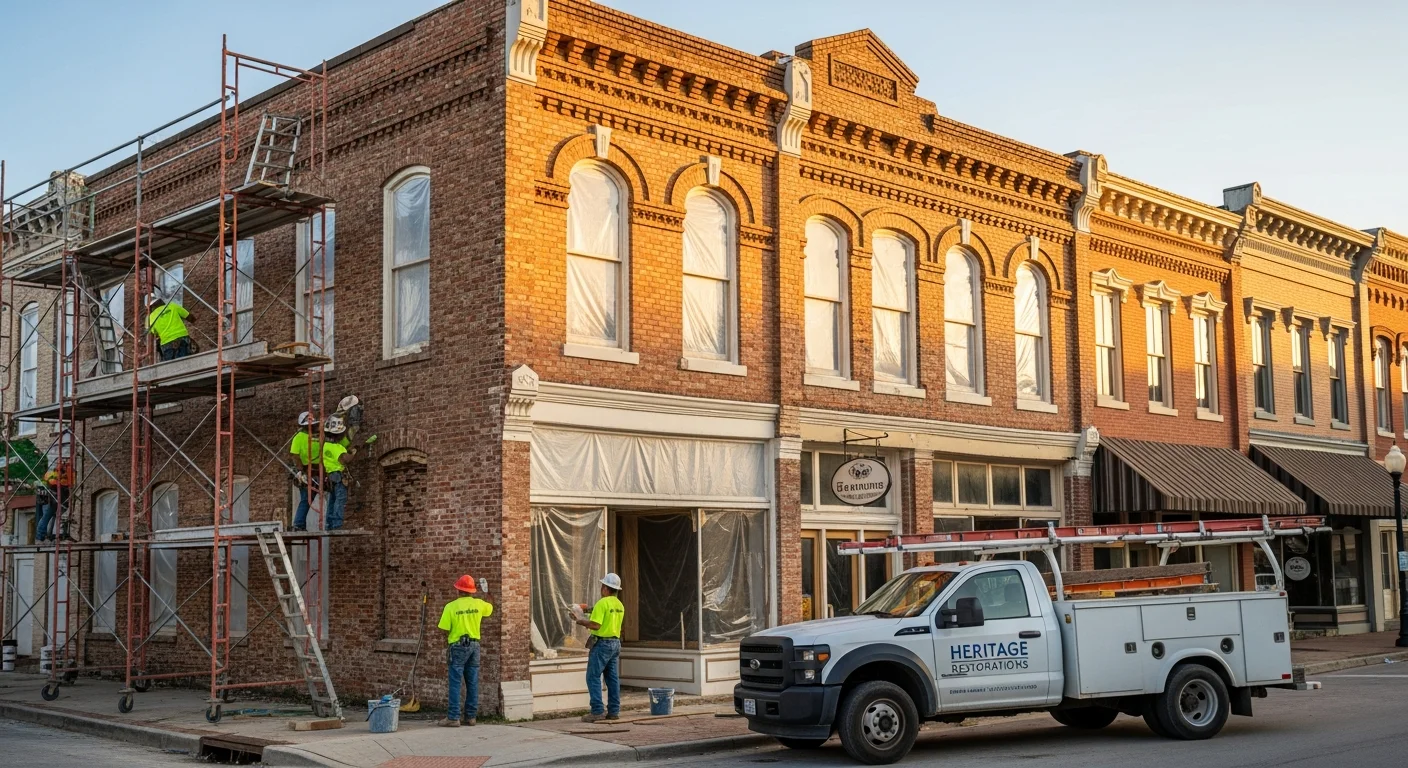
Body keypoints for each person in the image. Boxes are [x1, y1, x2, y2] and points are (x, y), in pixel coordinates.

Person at [437, 575, 493, 727]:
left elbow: (443, 629)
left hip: (457, 646)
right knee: (472, 682)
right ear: (472, 591)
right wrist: (487, 592)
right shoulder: (479, 604)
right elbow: (490, 607)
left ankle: (453, 717)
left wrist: (447, 645)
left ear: (458, 590)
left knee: (455, 682)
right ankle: (471, 717)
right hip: (475, 646)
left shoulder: (451, 607)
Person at [576, 573, 625, 723]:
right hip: (615, 643)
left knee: (593, 676)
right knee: (612, 678)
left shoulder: (602, 603)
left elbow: (596, 625)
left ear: (605, 588)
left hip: (602, 644)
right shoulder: (619, 605)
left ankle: (597, 711)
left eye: (602, 586)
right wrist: (587, 609)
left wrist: (580, 620)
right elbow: (605, 615)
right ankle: (614, 711)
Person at [318, 415, 350, 530]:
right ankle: (337, 523)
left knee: (332, 499)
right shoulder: (336, 447)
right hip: (338, 474)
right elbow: (345, 459)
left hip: (331, 475)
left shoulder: (326, 446)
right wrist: (354, 452)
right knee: (340, 499)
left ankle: (329, 524)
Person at [289, 411, 319, 532]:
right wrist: (300, 471)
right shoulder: (299, 437)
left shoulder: (317, 436)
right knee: (306, 498)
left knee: (311, 497)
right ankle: (299, 524)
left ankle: (300, 524)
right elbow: (295, 456)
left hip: (319, 470)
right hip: (306, 470)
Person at [35, 462, 74, 543]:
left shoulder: (53, 474)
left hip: (53, 500)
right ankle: (40, 536)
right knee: (46, 517)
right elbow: (56, 483)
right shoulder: (52, 475)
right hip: (50, 500)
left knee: (49, 517)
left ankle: (47, 535)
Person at [146, 296, 192, 361]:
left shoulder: (150, 318)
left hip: (166, 342)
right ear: (160, 300)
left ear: (149, 307)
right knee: (186, 360)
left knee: (170, 364)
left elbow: (153, 334)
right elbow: (190, 317)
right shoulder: (172, 306)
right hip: (182, 337)